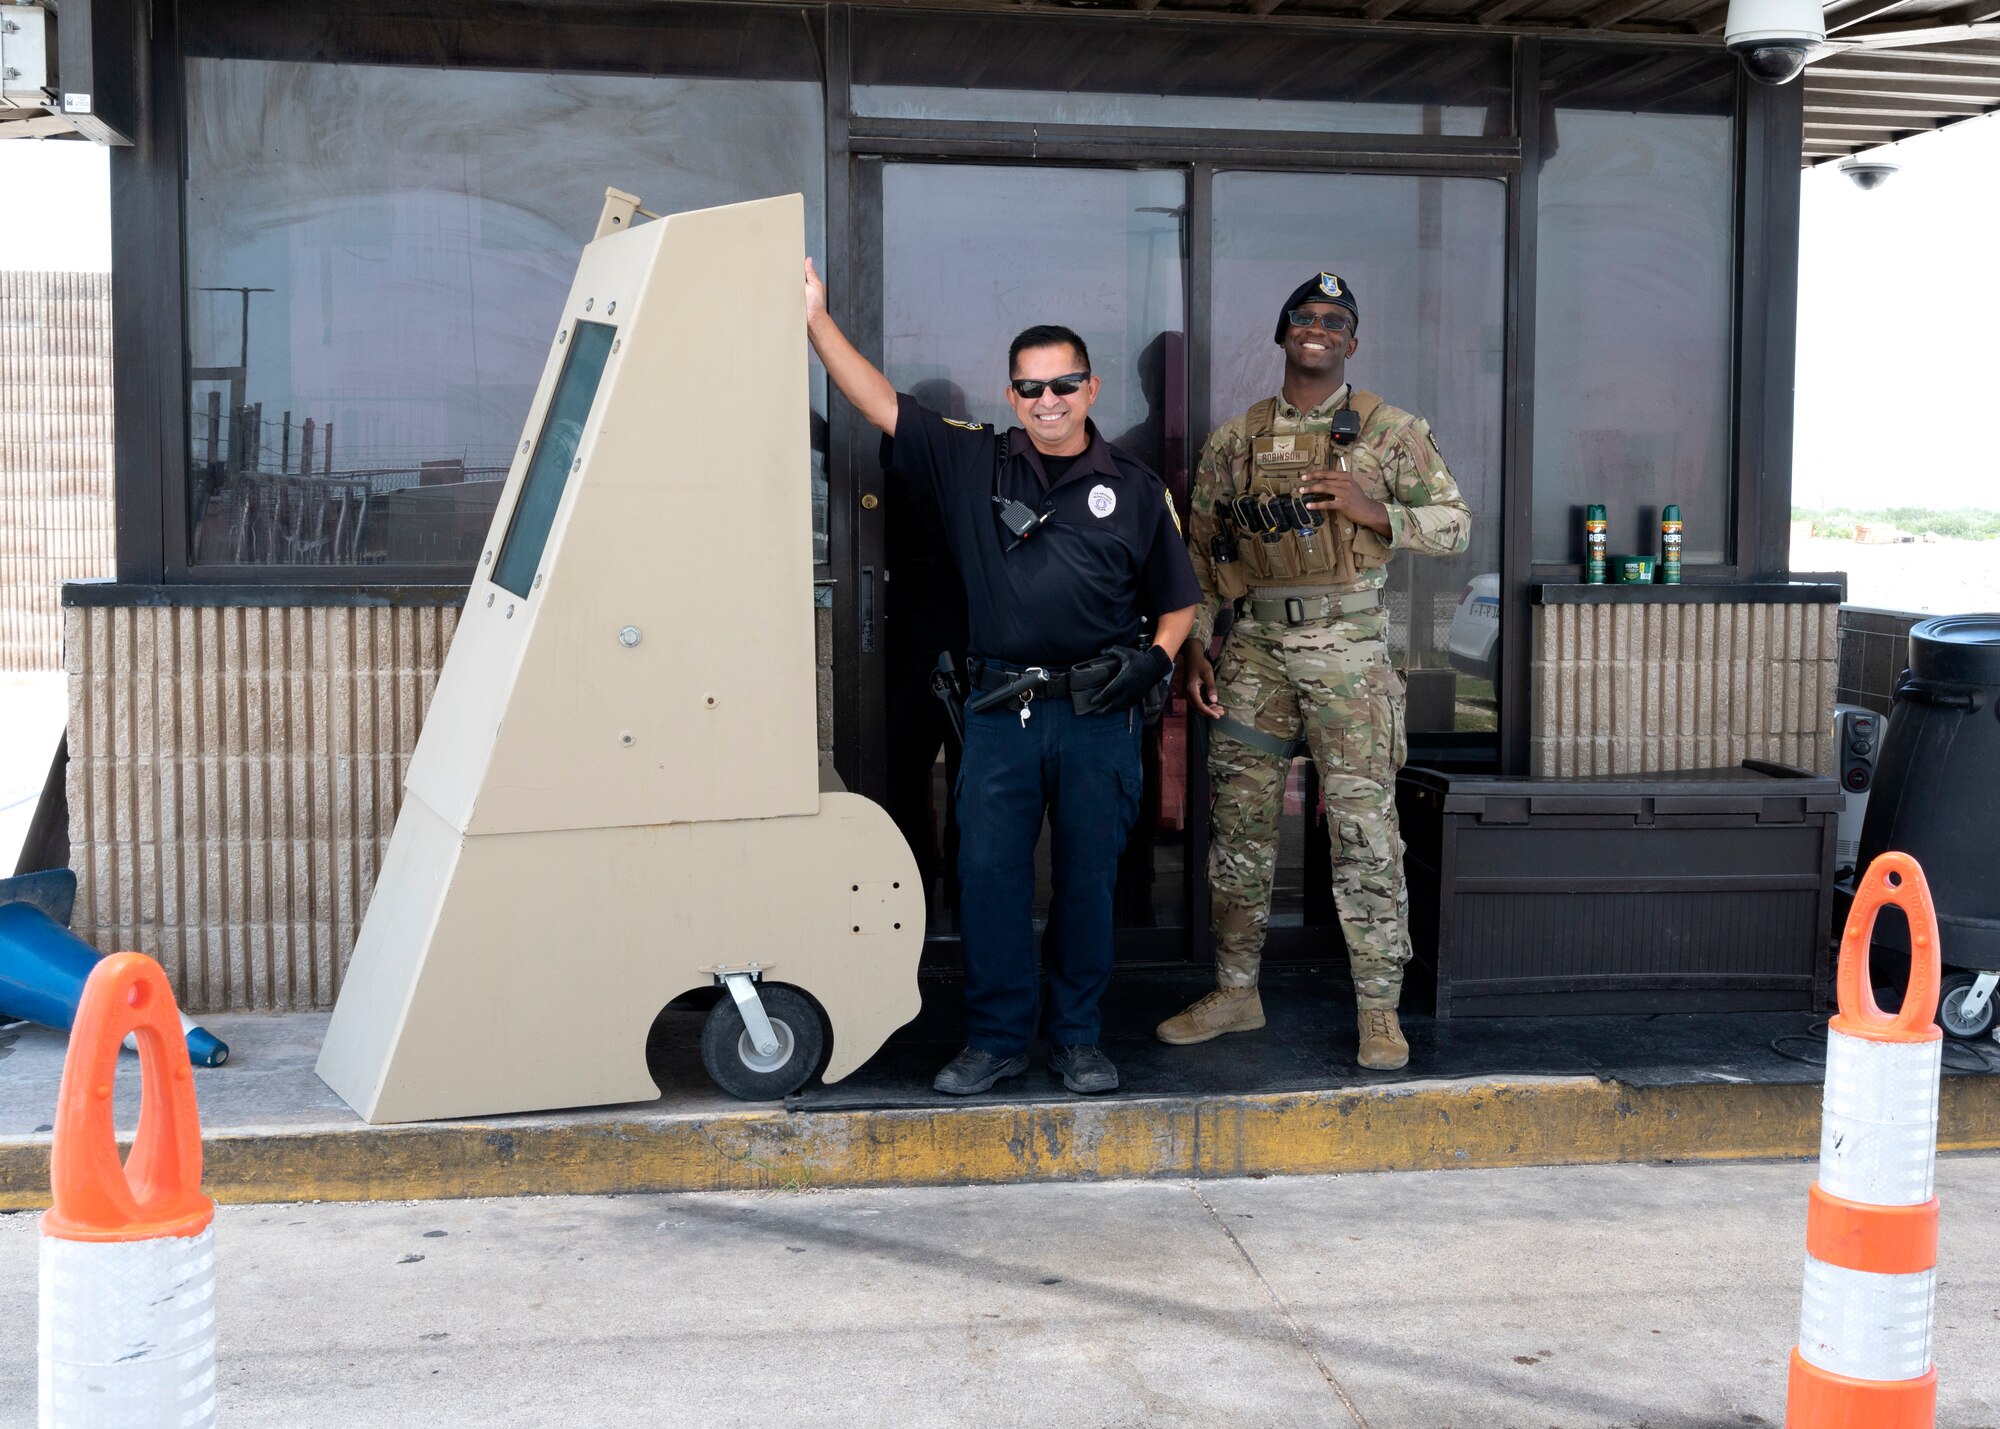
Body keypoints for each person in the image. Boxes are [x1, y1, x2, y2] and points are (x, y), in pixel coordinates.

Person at [804, 259, 1201, 1097]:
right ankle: (993, 1039)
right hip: (1000, 712)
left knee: (1089, 885)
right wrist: (815, 320)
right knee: (988, 882)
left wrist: (1154, 663)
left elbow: (1178, 604)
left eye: (1064, 384)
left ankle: (1079, 1039)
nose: (1047, 401)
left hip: (1101, 713)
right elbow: (878, 401)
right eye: (1030, 388)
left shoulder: (1134, 488)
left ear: (1091, 388)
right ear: (1012, 395)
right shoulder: (971, 462)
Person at [1162, 272, 1471, 1071]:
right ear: (1283, 331)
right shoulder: (1236, 441)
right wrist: (1196, 642)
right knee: (1240, 830)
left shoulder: (1390, 431)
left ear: (1352, 342)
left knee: (1367, 832)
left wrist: (1378, 512)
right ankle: (1236, 991)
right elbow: (1199, 555)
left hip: (1350, 649)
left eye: (1336, 320)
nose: (1318, 327)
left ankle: (1379, 1010)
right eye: (1305, 315)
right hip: (1255, 647)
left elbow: (1455, 525)